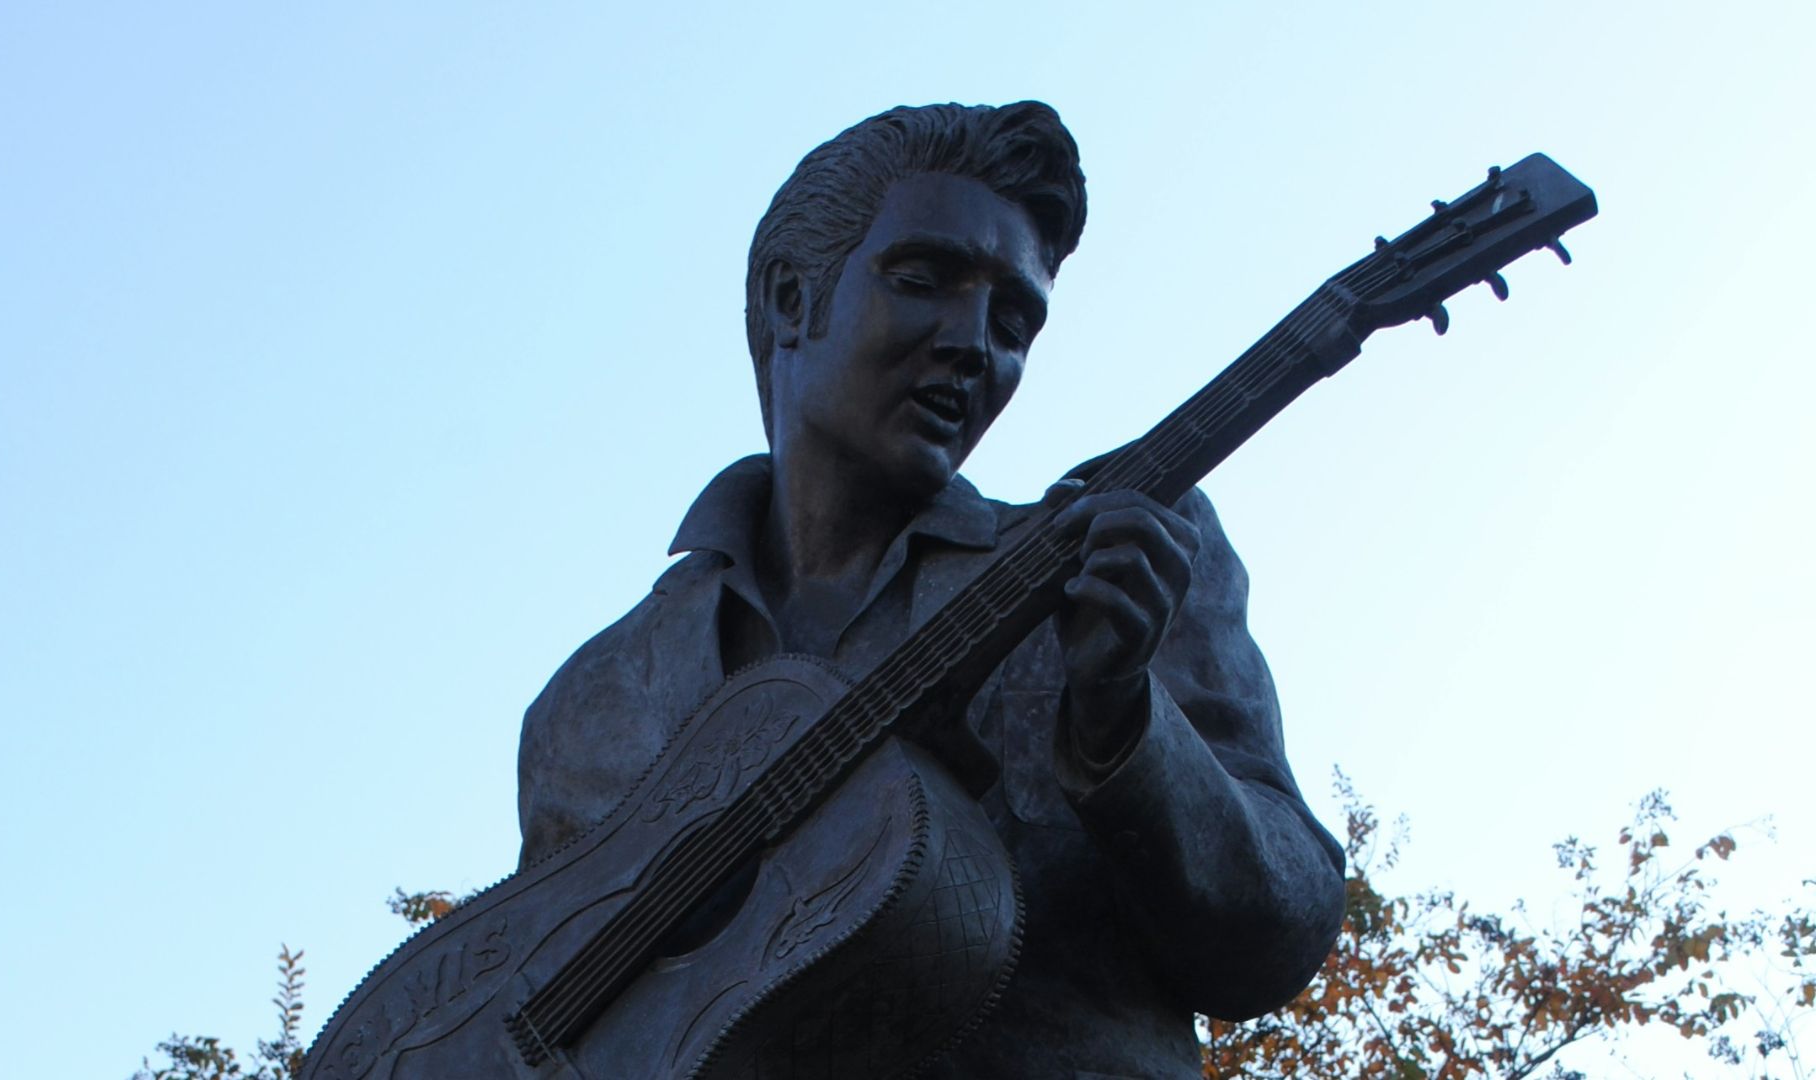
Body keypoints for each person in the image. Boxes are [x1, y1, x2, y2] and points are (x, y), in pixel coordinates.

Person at [516, 101, 1345, 1079]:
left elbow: (1274, 938)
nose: (975, 343)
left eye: (1015, 320)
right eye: (924, 279)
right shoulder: (597, 701)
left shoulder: (1115, 559)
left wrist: (1125, 728)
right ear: (792, 299)